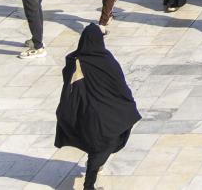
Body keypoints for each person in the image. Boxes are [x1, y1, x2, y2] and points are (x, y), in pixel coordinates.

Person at [54, 24, 141, 190]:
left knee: (99, 147)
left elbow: (68, 80)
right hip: (105, 115)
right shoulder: (106, 59)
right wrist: (128, 103)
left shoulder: (75, 61)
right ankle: (89, 185)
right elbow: (120, 85)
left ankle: (96, 165)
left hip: (88, 113)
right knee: (102, 148)